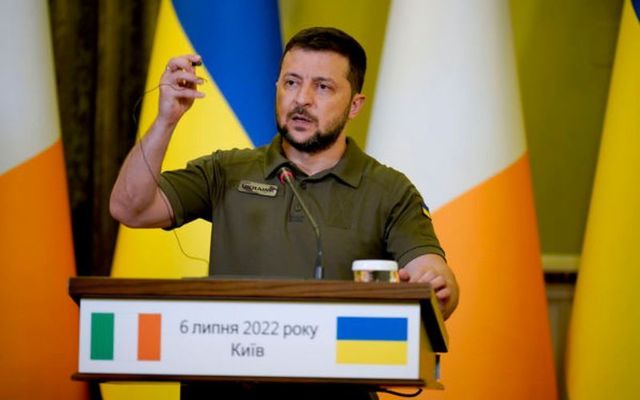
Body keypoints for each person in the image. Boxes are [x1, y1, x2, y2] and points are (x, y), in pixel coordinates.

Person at [110, 27, 459, 399]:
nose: (302, 100)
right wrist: (166, 119)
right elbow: (130, 207)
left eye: (322, 87)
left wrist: (437, 286)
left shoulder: (389, 189)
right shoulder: (227, 170)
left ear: (354, 105)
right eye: (291, 83)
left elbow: (434, 276)